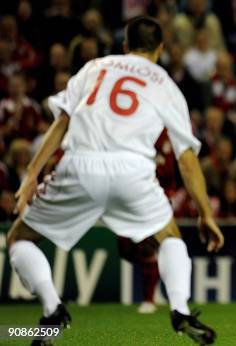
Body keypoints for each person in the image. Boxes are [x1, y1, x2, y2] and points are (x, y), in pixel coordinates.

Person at [6, 16, 223, 345]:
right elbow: (187, 159)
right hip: (133, 170)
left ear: (124, 46)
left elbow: (62, 121)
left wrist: (31, 175)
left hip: (80, 163)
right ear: (160, 49)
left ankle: (53, 312)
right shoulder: (165, 84)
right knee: (169, 237)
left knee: (19, 238)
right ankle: (180, 310)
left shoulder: (96, 67)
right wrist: (205, 213)